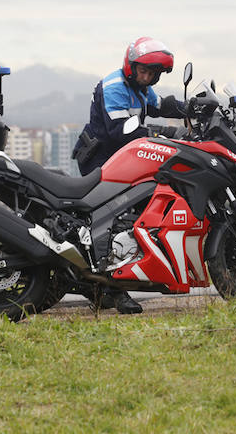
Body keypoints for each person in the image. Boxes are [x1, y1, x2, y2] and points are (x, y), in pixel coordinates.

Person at [72, 37, 185, 314]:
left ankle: (101, 287)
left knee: (135, 211)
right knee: (115, 219)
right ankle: (115, 290)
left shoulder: (140, 88)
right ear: (131, 66)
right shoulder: (115, 86)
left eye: (152, 74)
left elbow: (161, 106)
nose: (146, 77)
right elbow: (120, 131)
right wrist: (166, 133)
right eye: (143, 71)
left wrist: (191, 108)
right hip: (99, 159)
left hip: (120, 158)